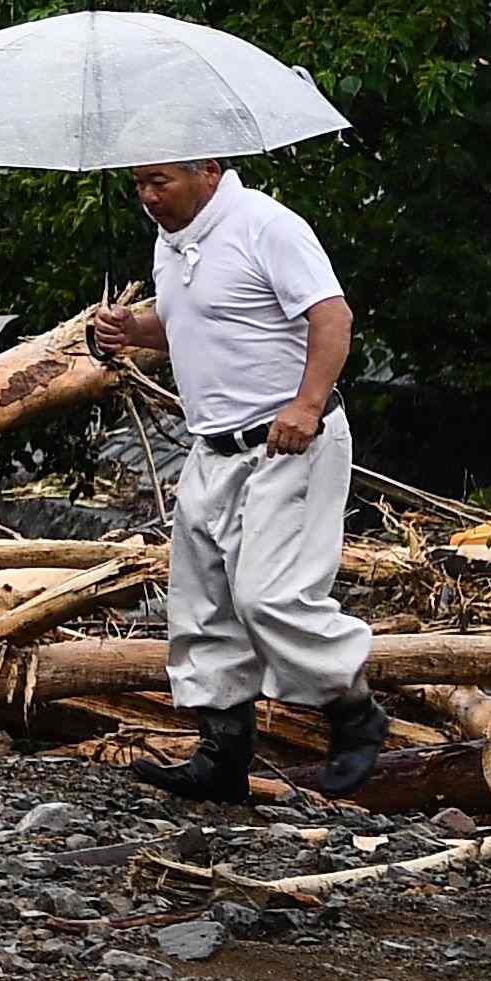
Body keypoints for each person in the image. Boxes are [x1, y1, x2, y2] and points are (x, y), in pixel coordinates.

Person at [88, 158, 371, 803]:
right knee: (202, 606)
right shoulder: (175, 240)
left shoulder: (266, 226)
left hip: (286, 442)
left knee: (270, 597)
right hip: (209, 446)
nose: (147, 197)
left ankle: (355, 716)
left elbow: (333, 318)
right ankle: (222, 758)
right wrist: (132, 329)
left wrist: (304, 404)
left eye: (159, 181)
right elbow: (195, 314)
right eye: (138, 185)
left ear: (207, 171)